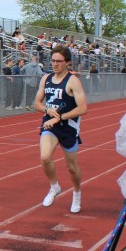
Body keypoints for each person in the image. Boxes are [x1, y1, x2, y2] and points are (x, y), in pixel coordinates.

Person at [33, 45, 89, 213]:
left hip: (68, 127)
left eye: (59, 61)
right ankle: (54, 187)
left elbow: (83, 108)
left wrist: (60, 117)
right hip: (49, 125)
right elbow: (36, 103)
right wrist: (47, 110)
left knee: (71, 167)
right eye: (53, 61)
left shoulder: (73, 81)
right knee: (45, 157)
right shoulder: (46, 79)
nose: (55, 64)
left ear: (67, 62)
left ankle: (77, 193)